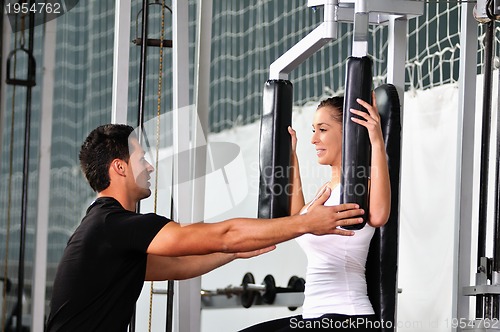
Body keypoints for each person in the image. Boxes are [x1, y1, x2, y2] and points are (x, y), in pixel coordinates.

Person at [45, 123, 365, 332]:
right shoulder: (112, 224)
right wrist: (306, 223)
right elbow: (222, 235)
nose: (150, 166)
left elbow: (177, 265)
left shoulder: (104, 228)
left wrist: (235, 253)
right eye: (141, 159)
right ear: (119, 167)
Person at [240, 93, 391, 332]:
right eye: (313, 130)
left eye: (322, 129)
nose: (313, 139)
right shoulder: (326, 192)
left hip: (347, 318)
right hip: (315, 316)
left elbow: (380, 215)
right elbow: (296, 220)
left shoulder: (361, 188)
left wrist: (376, 139)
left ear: (348, 133)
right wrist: (292, 157)